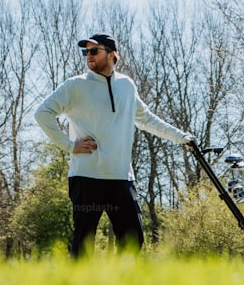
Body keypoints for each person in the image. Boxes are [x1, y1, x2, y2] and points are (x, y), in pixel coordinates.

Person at [34, 32, 194, 256]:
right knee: (84, 244)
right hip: (86, 177)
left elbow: (146, 119)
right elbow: (43, 113)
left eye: (93, 51)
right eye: (85, 51)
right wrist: (70, 145)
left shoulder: (126, 86)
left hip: (121, 178)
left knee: (133, 240)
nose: (88, 56)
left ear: (111, 55)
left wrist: (182, 137)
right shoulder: (75, 86)